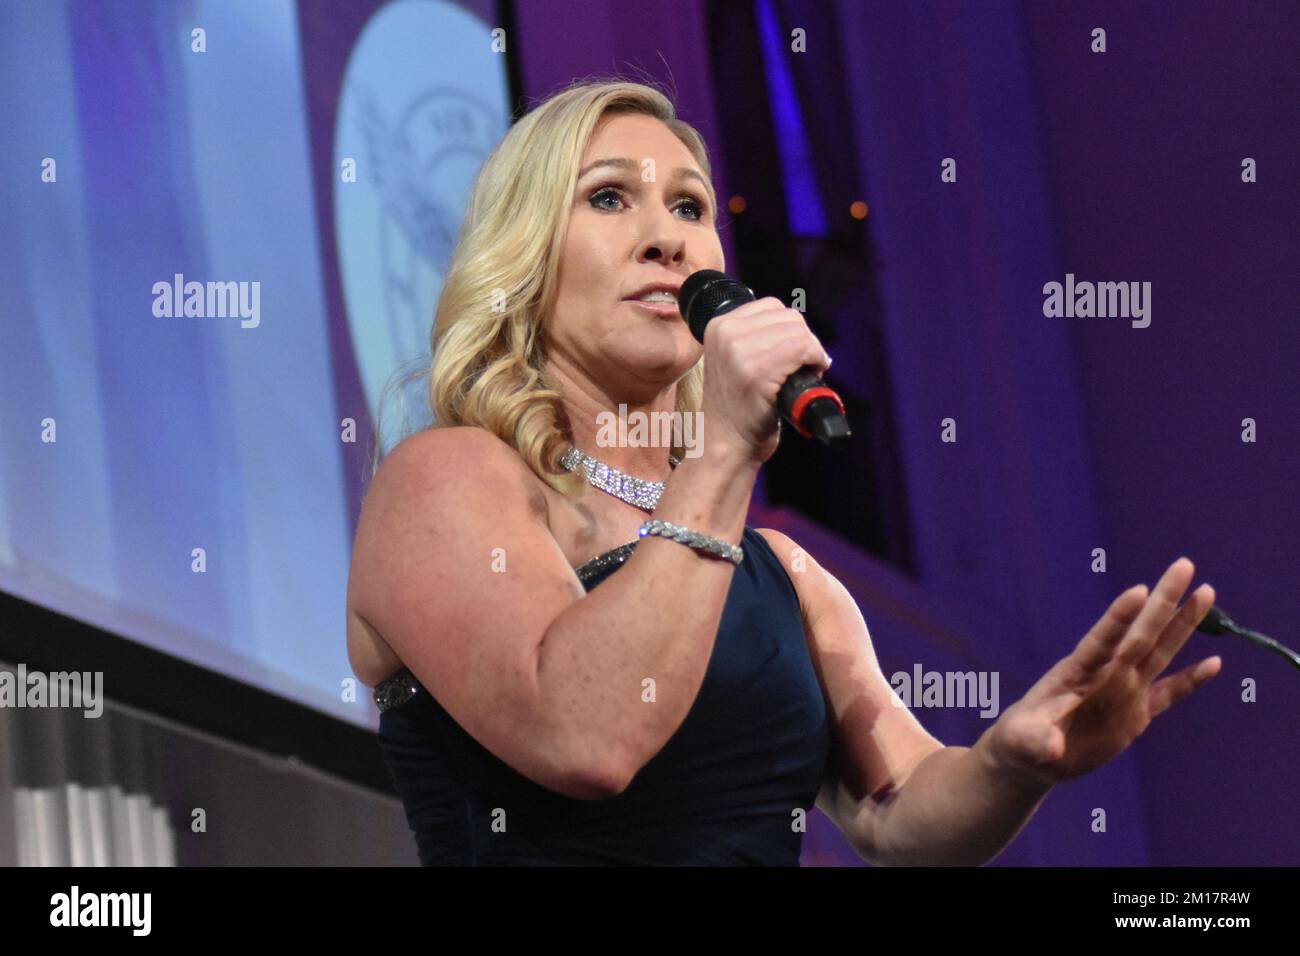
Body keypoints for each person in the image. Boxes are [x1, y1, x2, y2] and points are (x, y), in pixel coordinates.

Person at [345, 79, 1222, 866]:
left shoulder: (784, 577)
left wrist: (1012, 764)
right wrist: (724, 449)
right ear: (525, 258)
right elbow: (585, 737)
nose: (666, 238)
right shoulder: (447, 479)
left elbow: (899, 812)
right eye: (609, 197)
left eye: (691, 208)